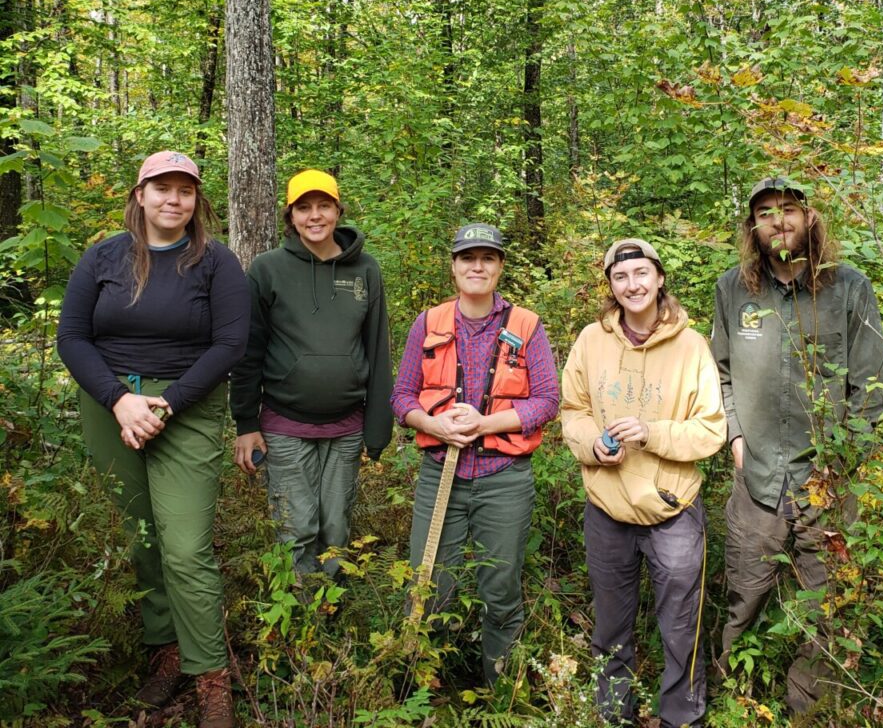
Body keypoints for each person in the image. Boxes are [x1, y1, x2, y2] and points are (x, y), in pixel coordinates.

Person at [57, 150, 250, 728]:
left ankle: (210, 674)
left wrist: (169, 403)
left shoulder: (217, 263)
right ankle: (165, 652)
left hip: (185, 406)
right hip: (112, 406)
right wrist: (120, 400)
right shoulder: (103, 258)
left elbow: (230, 345)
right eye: (161, 188)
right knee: (143, 539)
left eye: (185, 191)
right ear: (139, 195)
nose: (174, 199)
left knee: (185, 546)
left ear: (197, 201)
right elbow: (72, 337)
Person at [712, 176, 883, 714]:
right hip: (757, 478)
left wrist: (841, 466)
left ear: (810, 218)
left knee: (828, 610)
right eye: (765, 211)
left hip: (830, 487)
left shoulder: (848, 288)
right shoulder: (732, 290)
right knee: (743, 599)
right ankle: (728, 702)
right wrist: (736, 436)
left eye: (789, 208)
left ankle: (807, 711)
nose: (778, 220)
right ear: (753, 226)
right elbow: (718, 373)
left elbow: (872, 388)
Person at [562, 238, 726, 728]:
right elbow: (573, 411)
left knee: (680, 630)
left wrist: (652, 433)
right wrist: (593, 444)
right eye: (620, 277)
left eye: (641, 274)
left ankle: (681, 718)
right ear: (611, 287)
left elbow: (711, 428)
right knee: (611, 627)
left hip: (672, 510)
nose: (632, 285)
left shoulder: (691, 346)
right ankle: (614, 715)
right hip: (607, 509)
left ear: (658, 279)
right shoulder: (591, 340)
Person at [390, 223, 559, 683]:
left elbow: (546, 401)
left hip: (504, 476)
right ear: (454, 267)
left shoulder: (525, 325)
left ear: (500, 266)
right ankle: (421, 690)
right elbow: (402, 396)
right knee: (429, 584)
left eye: (487, 257)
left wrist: (484, 424)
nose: (477, 266)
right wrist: (432, 423)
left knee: (500, 586)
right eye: (468, 258)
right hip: (439, 474)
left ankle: (500, 688)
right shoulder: (428, 322)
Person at [231, 169, 393, 578]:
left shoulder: (366, 270)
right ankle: (300, 613)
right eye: (304, 207)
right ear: (290, 216)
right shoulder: (267, 270)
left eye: (324, 206)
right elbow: (249, 351)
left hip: (346, 425)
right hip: (285, 425)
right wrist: (246, 421)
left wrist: (377, 430)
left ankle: (330, 611)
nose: (315, 215)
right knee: (296, 526)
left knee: (336, 527)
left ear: (339, 211)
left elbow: (377, 348)